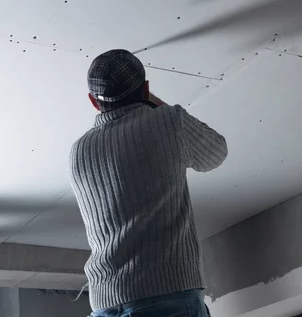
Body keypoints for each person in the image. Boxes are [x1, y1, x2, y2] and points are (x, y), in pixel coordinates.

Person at [69, 49, 227, 317]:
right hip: (165, 294)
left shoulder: (79, 150)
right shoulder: (168, 121)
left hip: (105, 303)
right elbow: (215, 154)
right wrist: (153, 103)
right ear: (146, 88)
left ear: (93, 102)